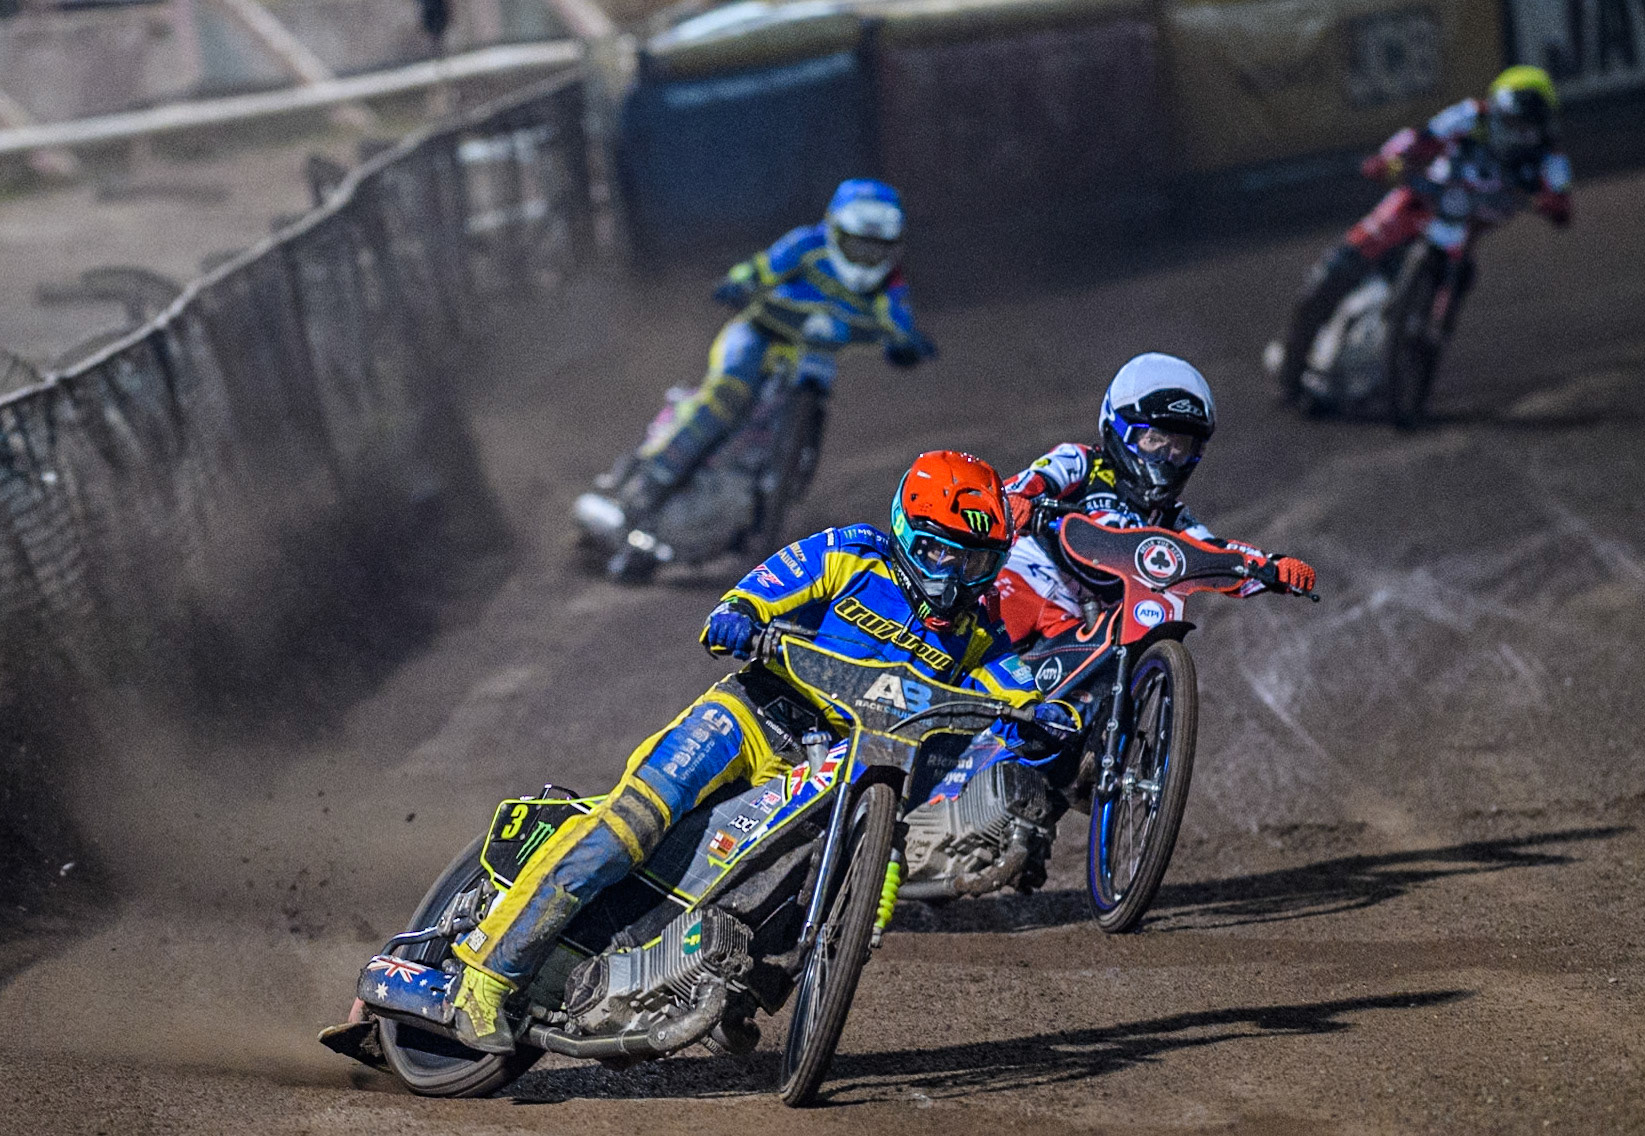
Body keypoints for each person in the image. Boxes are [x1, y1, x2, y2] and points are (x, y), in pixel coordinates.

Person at [398, 451, 1077, 1053]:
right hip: (750, 716)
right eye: (939, 552)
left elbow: (1019, 689)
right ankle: (485, 976)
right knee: (630, 827)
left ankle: (727, 988)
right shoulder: (852, 552)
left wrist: (1051, 716)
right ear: (906, 531)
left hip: (833, 768)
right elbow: (759, 590)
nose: (952, 576)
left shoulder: (979, 630)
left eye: (973, 562)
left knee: (808, 886)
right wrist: (741, 617)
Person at [581, 179, 936, 575]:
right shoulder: (806, 245)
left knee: (803, 418)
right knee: (727, 395)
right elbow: (762, 267)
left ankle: (758, 501)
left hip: (810, 358)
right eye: (859, 245)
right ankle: (646, 487)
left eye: (878, 248)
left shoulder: (891, 282)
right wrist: (738, 282)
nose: (868, 257)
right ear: (836, 231)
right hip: (757, 338)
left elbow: (898, 321)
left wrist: (908, 344)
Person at [1270, 65, 1573, 401]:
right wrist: (1389, 159)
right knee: (1333, 274)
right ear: (1498, 111)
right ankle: (1290, 372)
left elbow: (1560, 197)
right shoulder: (1471, 116)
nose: (1520, 133)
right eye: (1515, 122)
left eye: (1528, 125)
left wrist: (1553, 205)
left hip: (1464, 229)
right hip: (1417, 204)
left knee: (1460, 280)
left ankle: (1414, 362)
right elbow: (1421, 137)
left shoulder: (1549, 154)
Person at [998, 353, 1317, 644]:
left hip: (1083, 625)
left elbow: (1215, 551)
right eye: (1155, 440)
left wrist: (1273, 567)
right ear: (1119, 430)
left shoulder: (1172, 518)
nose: (1168, 457)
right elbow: (1027, 483)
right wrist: (1018, 500)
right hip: (1027, 582)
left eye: (1181, 446)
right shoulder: (1080, 462)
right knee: (990, 634)